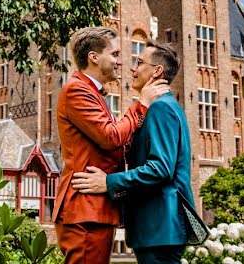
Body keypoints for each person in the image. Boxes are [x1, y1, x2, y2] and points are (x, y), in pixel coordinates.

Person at [53, 27, 170, 264]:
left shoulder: (94, 93)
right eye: (115, 54)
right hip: (85, 209)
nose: (120, 61)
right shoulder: (77, 90)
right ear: (94, 57)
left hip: (95, 209)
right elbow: (110, 136)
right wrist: (142, 104)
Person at [71, 41, 193, 264]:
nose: (132, 68)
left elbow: (160, 169)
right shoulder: (160, 107)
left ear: (157, 71)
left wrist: (108, 182)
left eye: (139, 62)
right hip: (157, 231)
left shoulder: (161, 108)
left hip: (159, 228)